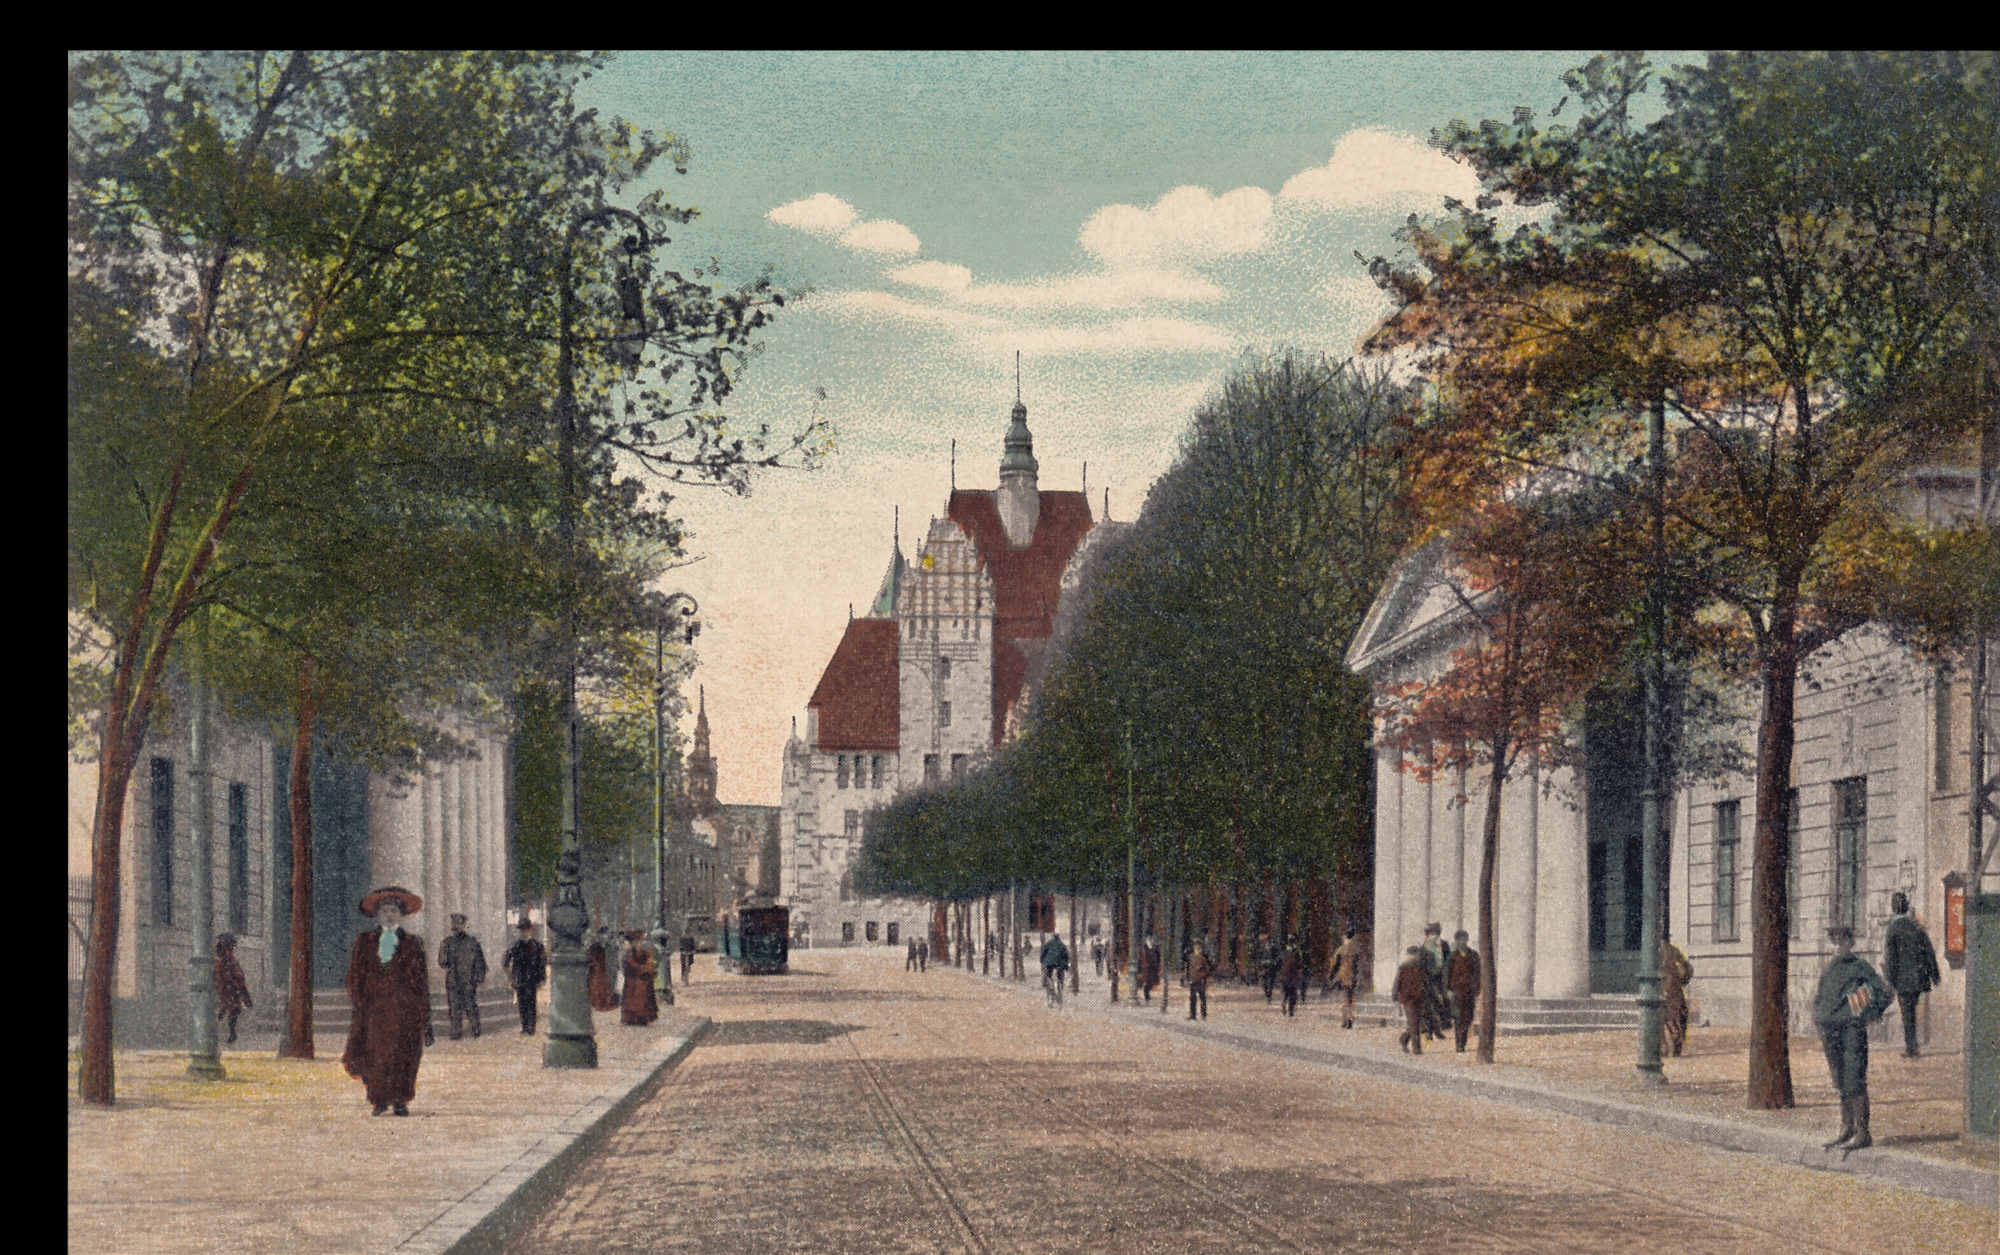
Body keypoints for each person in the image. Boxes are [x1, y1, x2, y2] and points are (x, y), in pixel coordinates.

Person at [342, 886, 431, 1117]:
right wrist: (361, 1000)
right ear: (377, 915)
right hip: (374, 1012)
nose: (389, 915)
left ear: (401, 915)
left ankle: (400, 1100)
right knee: (375, 1055)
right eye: (385, 911)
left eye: (394, 910)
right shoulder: (364, 941)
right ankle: (378, 1099)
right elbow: (354, 976)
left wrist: (423, 1013)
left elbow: (421, 982)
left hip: (405, 1013)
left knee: (404, 1055)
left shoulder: (413, 944)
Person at [1815, 923, 1891, 1150]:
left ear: (1851, 942)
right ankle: (1846, 1127)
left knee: (1854, 1077)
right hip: (1830, 1031)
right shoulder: (1829, 968)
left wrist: (1865, 1015)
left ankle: (1862, 1132)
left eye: (1843, 940)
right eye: (1835, 940)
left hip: (1851, 1031)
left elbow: (1884, 993)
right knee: (1839, 1079)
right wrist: (1819, 1017)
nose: (1839, 945)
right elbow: (1820, 996)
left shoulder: (1860, 966)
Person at [1882, 892, 1941, 1059]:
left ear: (1894, 908)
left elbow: (1891, 957)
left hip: (1903, 979)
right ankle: (1912, 1045)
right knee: (1912, 1010)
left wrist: (1891, 979)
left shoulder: (1893, 929)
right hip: (1919, 978)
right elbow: (1929, 952)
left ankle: (1911, 1047)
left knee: (1907, 1012)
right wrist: (1934, 975)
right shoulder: (1917, 927)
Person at [437, 913, 488, 1040]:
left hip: (468, 980)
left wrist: (479, 977)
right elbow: (442, 963)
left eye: (458, 923)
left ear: (463, 925)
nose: (456, 926)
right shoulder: (447, 942)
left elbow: (480, 962)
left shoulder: (473, 942)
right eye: (454, 924)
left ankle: (476, 1029)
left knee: (470, 1006)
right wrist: (443, 951)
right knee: (454, 1008)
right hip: (453, 980)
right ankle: (456, 1031)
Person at [503, 916, 547, 1035]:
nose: (524, 932)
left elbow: (542, 963)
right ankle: (524, 1026)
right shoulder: (516, 945)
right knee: (522, 1004)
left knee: (531, 1003)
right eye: (522, 930)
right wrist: (509, 973)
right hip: (520, 978)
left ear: (531, 930)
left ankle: (531, 1027)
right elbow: (506, 960)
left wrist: (541, 978)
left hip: (532, 979)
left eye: (526, 929)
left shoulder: (538, 946)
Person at [214, 933, 252, 1045]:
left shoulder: (228, 961)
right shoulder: (228, 961)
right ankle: (229, 1033)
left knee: (228, 1011)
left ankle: (229, 1033)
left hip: (227, 991)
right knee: (227, 1012)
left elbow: (239, 980)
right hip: (226, 991)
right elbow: (239, 980)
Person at [1447, 929, 1481, 1053]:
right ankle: (1460, 1044)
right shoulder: (1453, 955)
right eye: (1460, 940)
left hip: (1468, 991)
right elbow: (1448, 973)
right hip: (1459, 991)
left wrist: (1476, 989)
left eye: (1463, 940)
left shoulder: (1473, 955)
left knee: (1467, 1018)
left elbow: (1478, 974)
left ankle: (1462, 1042)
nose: (1462, 942)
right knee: (1460, 1017)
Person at [1660, 938, 1694, 1058]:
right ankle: (1675, 1047)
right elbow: (1688, 968)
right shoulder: (1673, 949)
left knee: (1666, 1019)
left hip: (1664, 989)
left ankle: (1666, 1048)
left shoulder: (1656, 950)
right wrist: (1682, 981)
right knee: (1676, 1018)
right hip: (1674, 989)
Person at [621, 930, 660, 1026]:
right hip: (635, 976)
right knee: (637, 995)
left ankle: (637, 1016)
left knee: (637, 995)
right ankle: (637, 1016)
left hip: (637, 976)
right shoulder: (630, 948)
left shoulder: (638, 947)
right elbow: (627, 962)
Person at [1394, 945, 1428, 1054]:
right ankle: (1416, 1048)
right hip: (1409, 998)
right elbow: (1397, 982)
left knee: (1413, 1022)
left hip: (1414, 997)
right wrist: (1395, 995)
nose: (1416, 956)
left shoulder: (1417, 966)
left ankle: (1403, 1040)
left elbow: (1424, 982)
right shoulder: (1406, 966)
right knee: (1414, 1021)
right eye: (1415, 954)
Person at [1330, 927, 1364, 1030]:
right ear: (1354, 936)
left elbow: (1335, 964)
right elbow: (1360, 966)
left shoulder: (1341, 949)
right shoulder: (1357, 949)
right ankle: (1349, 1019)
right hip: (1352, 977)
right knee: (1351, 999)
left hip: (1342, 977)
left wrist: (1332, 975)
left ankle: (1345, 1020)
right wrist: (1360, 978)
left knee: (1344, 999)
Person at [586, 927, 618, 1012]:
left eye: (606, 935)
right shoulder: (595, 946)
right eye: (604, 935)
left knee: (603, 986)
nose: (605, 937)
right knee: (596, 985)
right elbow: (590, 957)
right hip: (596, 970)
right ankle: (596, 1002)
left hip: (603, 970)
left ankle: (602, 1001)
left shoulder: (609, 946)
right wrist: (595, 964)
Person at [1278, 944, 1307, 1018]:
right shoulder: (1296, 960)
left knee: (1287, 995)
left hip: (1286, 981)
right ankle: (1291, 1012)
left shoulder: (1286, 960)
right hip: (1292, 981)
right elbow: (1300, 968)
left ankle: (1285, 1003)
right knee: (1293, 997)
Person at [1040, 931, 1070, 999]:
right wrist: (1066, 965)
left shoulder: (1048, 943)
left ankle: (1050, 986)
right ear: (1059, 937)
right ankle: (1060, 986)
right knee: (1060, 975)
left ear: (1052, 936)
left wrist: (1042, 961)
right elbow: (1066, 955)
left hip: (1049, 963)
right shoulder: (1062, 944)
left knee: (1048, 975)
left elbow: (1043, 953)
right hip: (1059, 963)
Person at [1187, 941, 1213, 1020]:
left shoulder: (1203, 958)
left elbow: (1207, 970)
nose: (1197, 949)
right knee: (1193, 998)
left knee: (1202, 998)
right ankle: (1193, 1015)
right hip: (1193, 981)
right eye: (1195, 947)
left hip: (1200, 981)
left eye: (1198, 947)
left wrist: (1203, 975)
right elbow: (1189, 969)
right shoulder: (1191, 957)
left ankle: (1203, 1014)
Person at [1139, 931, 1162, 1003]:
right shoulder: (1144, 947)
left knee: (1151, 982)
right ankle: (1146, 995)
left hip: (1152, 967)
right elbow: (1141, 958)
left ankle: (1147, 994)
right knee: (1148, 982)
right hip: (1147, 967)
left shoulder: (1154, 946)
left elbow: (1158, 956)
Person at [1258, 932, 1281, 1002]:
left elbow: (1277, 956)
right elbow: (1259, 956)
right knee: (1264, 982)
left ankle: (1269, 994)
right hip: (1264, 966)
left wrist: (1274, 963)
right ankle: (1267, 993)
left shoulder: (1272, 947)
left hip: (1271, 967)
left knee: (1271, 982)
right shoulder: (1261, 947)